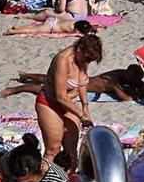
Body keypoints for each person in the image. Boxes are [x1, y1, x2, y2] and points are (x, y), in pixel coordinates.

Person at [35, 35, 103, 164]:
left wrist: (85, 106)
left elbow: (82, 82)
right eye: (87, 58)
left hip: (70, 104)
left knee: (71, 149)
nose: (87, 62)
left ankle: (69, 180)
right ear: (79, 49)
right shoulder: (63, 60)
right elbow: (60, 96)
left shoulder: (82, 59)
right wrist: (82, 115)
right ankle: (44, 180)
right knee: (53, 149)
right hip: (50, 103)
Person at [1, 63, 144, 102]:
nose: (138, 81)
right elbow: (125, 98)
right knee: (44, 88)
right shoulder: (113, 82)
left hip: (80, 80)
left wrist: (143, 87)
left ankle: (27, 75)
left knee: (48, 79)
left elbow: (137, 83)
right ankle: (14, 89)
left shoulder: (121, 73)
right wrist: (137, 94)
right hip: (78, 85)